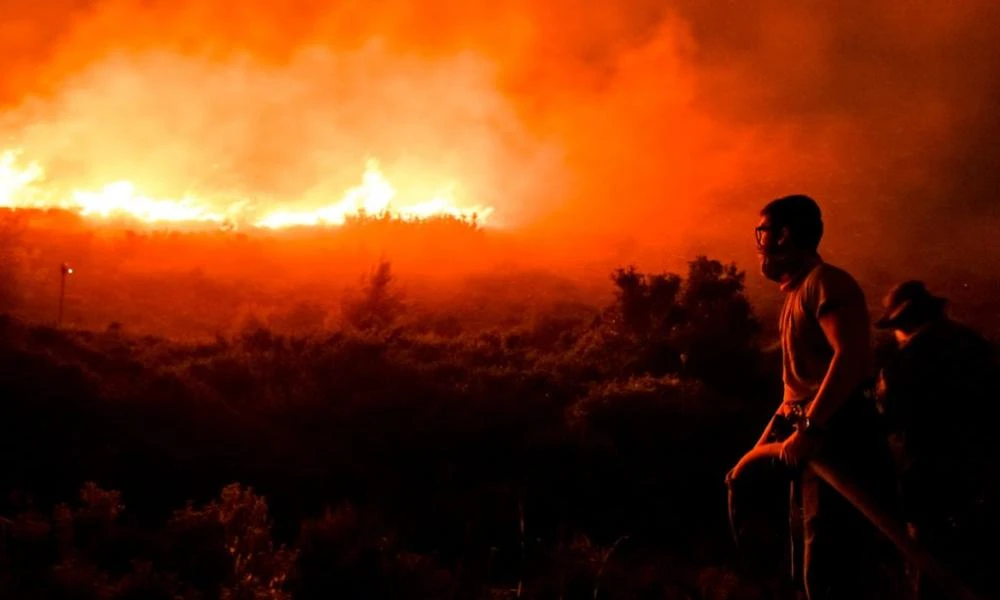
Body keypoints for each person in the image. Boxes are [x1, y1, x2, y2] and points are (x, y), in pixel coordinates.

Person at [729, 194, 893, 599]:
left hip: (837, 437)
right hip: (813, 435)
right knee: (805, 551)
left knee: (830, 567)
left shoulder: (825, 284)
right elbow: (798, 387)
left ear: (784, 236)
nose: (759, 242)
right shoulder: (797, 293)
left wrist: (810, 427)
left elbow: (851, 356)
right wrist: (766, 441)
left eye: (763, 231)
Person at [875, 281, 999, 599]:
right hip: (985, 479)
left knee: (930, 570)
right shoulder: (974, 345)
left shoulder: (904, 363)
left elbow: (888, 420)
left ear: (902, 324)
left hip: (930, 483)